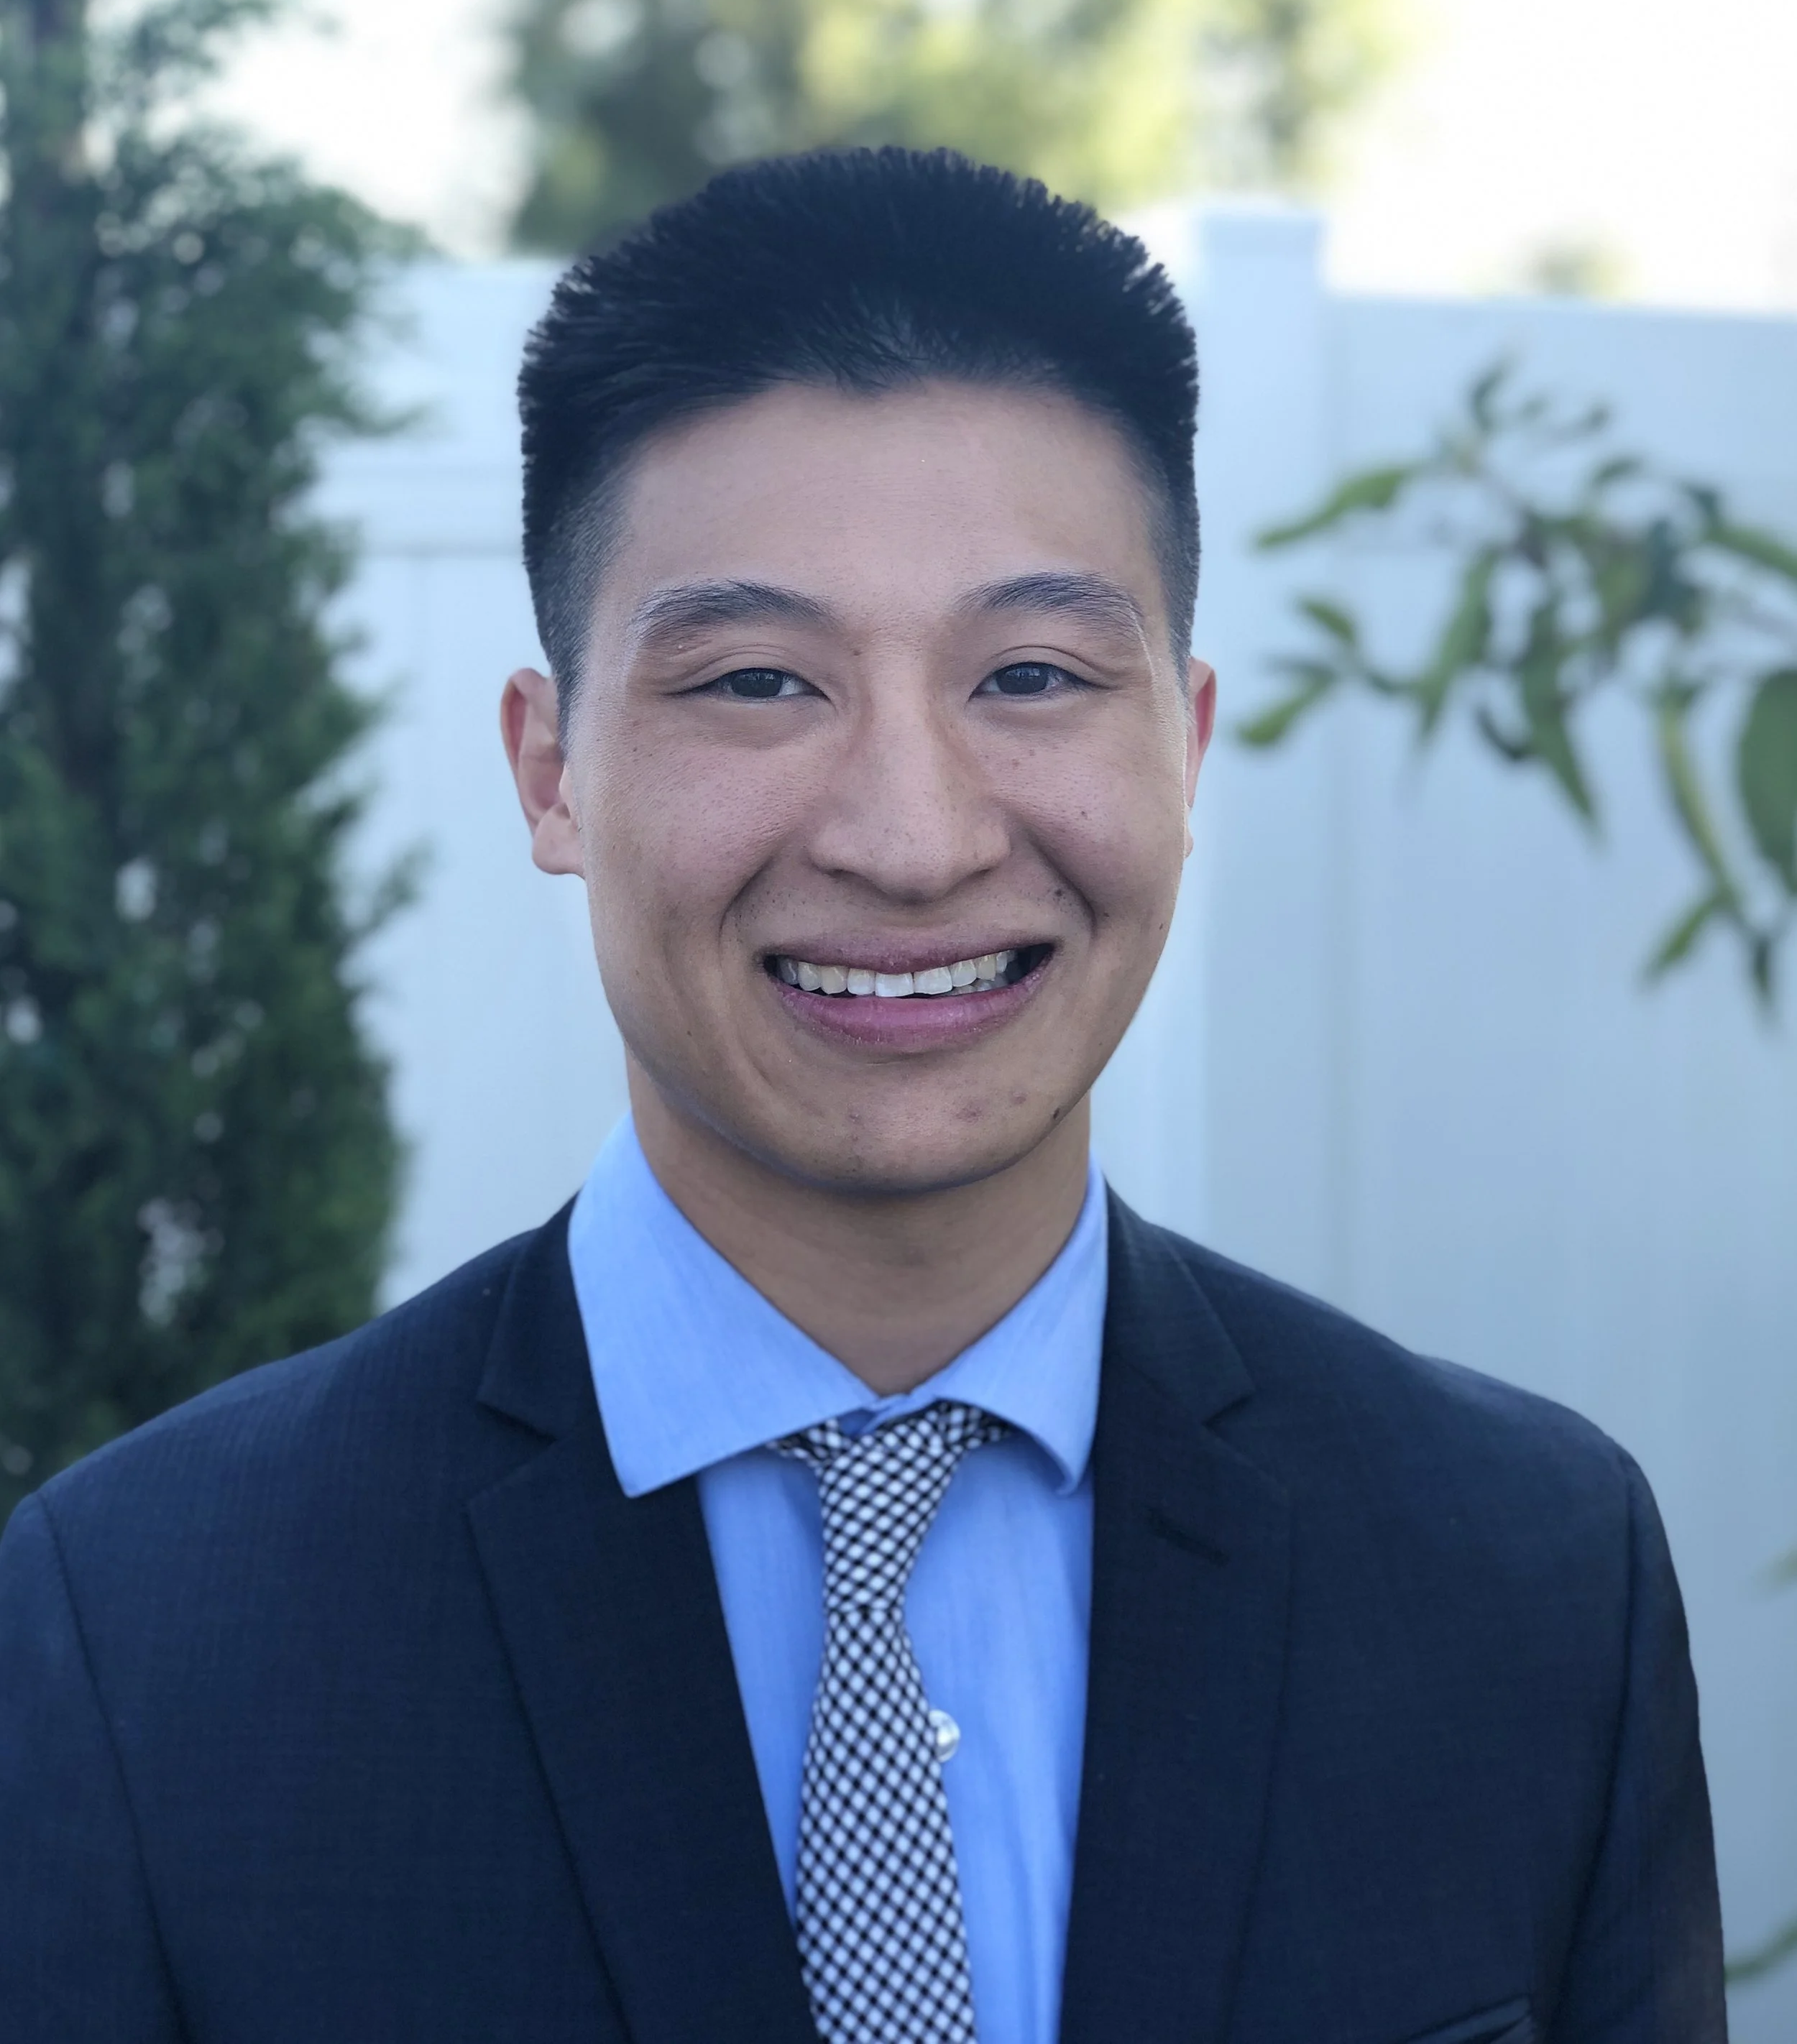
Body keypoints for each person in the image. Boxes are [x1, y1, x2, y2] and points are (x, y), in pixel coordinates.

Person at [0, 147, 1724, 2044]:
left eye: (1033, 672)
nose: (912, 838)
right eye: (756, 680)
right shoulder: (141, 1632)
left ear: (1186, 742)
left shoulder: (1528, 1582)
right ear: (551, 768)